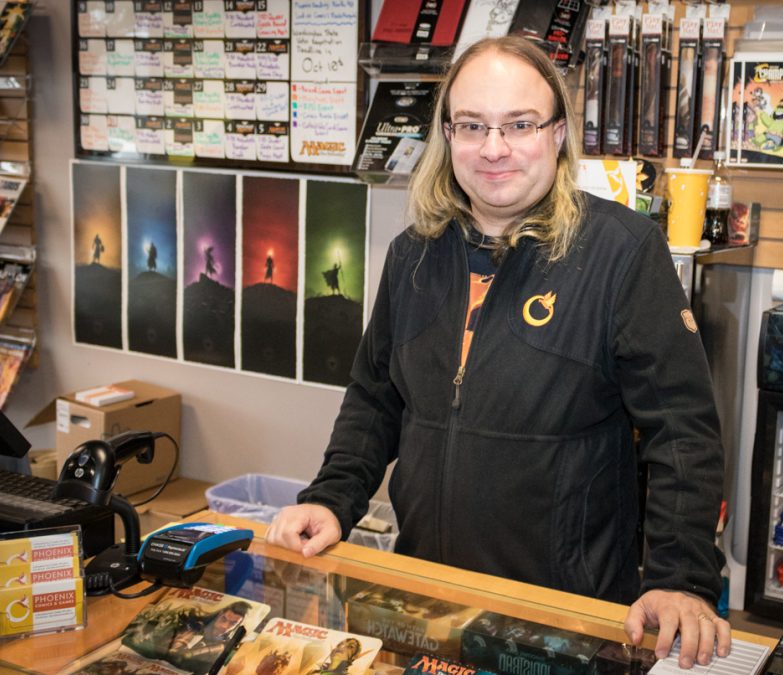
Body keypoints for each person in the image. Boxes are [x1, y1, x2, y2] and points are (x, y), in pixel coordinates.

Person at [266, 36, 729, 669]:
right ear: (447, 133)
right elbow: (375, 396)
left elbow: (684, 429)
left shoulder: (622, 252)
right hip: (428, 603)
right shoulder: (413, 255)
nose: (493, 148)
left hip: (567, 616)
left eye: (519, 124)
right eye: (473, 126)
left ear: (559, 133)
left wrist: (680, 577)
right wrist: (331, 497)